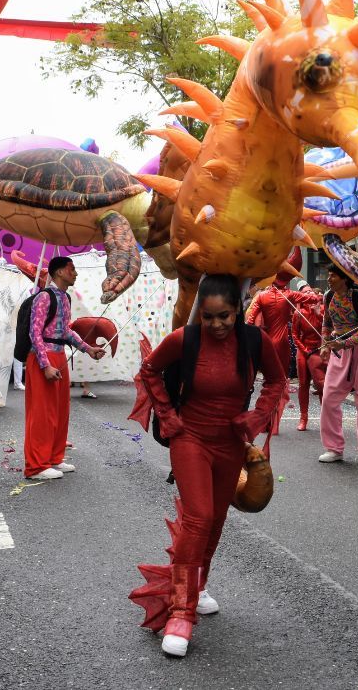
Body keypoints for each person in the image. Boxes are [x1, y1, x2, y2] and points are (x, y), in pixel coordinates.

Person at [128, 274, 287, 657]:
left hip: (230, 444)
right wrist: (167, 415)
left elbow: (278, 382)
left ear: (238, 311)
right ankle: (181, 612)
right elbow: (149, 371)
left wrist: (256, 418)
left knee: (215, 521)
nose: (216, 325)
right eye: (209, 316)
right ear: (200, 311)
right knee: (198, 518)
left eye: (225, 316)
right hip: (190, 440)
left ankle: (194, 588)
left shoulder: (254, 341)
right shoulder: (186, 338)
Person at [24, 256, 105, 480]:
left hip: (59, 355)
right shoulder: (43, 297)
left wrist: (88, 349)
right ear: (59, 272)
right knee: (42, 413)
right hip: (45, 359)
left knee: (60, 411)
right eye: (72, 269)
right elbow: (35, 333)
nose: (75, 273)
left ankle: (53, 458)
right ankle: (36, 466)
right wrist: (45, 365)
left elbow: (67, 332)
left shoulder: (65, 297)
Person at [317, 266, 358, 466]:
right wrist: (325, 345)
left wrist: (341, 343)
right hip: (338, 352)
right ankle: (334, 448)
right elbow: (326, 324)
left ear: (344, 278)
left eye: (333, 275)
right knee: (329, 399)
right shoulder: (328, 297)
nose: (329, 279)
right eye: (329, 275)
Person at [245, 278, 295, 432]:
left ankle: (267, 421)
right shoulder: (289, 295)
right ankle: (273, 423)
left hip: (266, 342)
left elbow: (252, 321)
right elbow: (309, 300)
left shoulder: (260, 297)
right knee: (278, 382)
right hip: (282, 343)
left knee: (269, 383)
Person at [289, 286, 325, 430]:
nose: (309, 294)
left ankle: (326, 417)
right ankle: (303, 418)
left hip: (319, 349)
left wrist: (318, 314)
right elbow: (295, 335)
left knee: (322, 384)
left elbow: (327, 330)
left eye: (311, 292)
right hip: (304, 350)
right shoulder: (298, 313)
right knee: (303, 384)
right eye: (306, 293)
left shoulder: (322, 310)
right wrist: (304, 350)